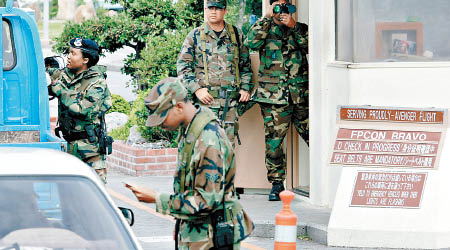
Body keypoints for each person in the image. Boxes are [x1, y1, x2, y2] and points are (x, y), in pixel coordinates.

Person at [126, 77, 254, 250]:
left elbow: (207, 201)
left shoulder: (208, 141)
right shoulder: (191, 130)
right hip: (198, 234)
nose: (161, 125)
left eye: (162, 118)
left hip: (212, 237)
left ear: (178, 107)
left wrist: (157, 199)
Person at [244, 0, 309, 201]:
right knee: (274, 143)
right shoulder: (265, 27)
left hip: (299, 95)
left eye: (284, 6)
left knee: (314, 136)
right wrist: (266, 17)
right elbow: (251, 43)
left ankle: (325, 179)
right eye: (277, 6)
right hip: (273, 96)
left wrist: (293, 26)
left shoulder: (299, 29)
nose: (281, 11)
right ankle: (277, 184)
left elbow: (311, 46)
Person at [177, 0, 253, 147]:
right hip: (205, 104)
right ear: (205, 10)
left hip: (230, 105)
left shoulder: (236, 35)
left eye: (217, 8)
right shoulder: (195, 35)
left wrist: (245, 88)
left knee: (227, 151)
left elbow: (245, 66)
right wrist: (197, 89)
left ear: (225, 11)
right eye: (210, 8)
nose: (213, 11)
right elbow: (183, 66)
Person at [48, 38, 112, 184]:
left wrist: (60, 90)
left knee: (95, 193)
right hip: (69, 147)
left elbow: (83, 109)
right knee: (69, 194)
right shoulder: (66, 75)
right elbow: (50, 78)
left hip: (90, 151)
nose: (68, 56)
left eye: (73, 53)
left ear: (85, 59)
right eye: (69, 52)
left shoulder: (97, 82)